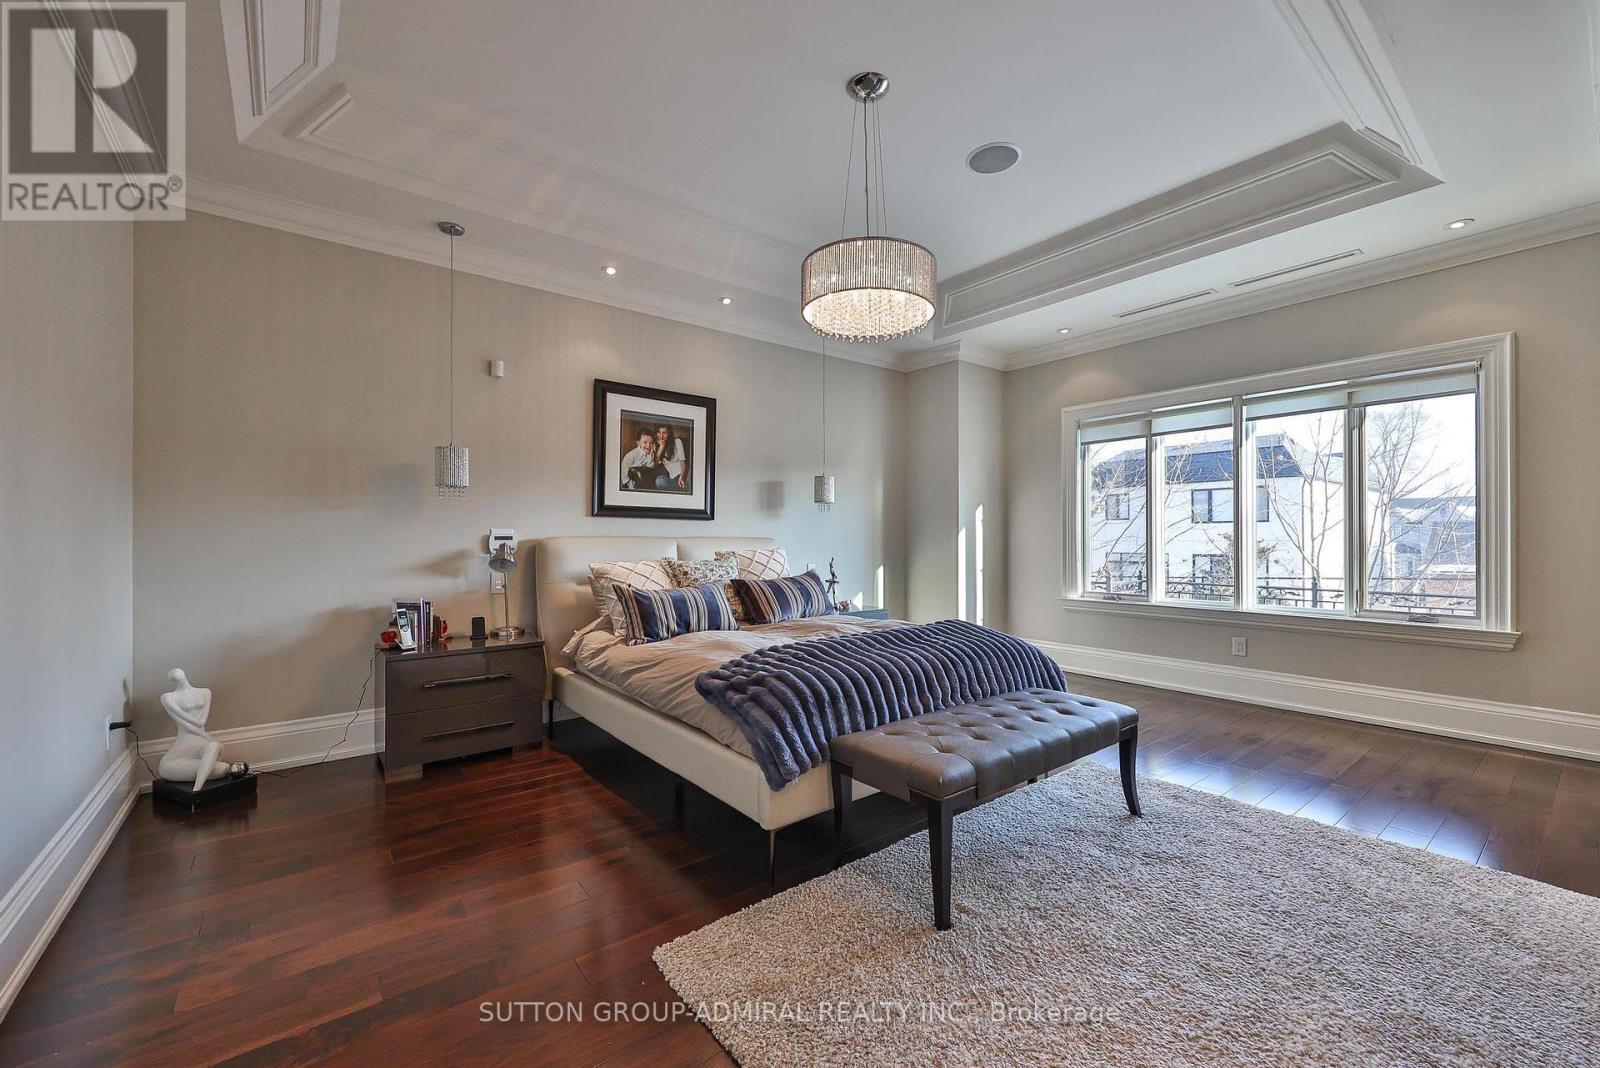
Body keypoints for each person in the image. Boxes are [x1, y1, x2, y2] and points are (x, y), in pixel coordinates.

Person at [654, 425, 688, 490]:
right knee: (659, 481)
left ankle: (683, 485)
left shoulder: (677, 441)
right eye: (659, 432)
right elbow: (655, 463)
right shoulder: (656, 446)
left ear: (668, 434)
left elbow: (682, 462)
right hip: (671, 479)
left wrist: (682, 478)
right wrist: (661, 446)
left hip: (682, 475)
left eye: (664, 433)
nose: (661, 436)